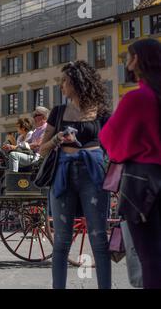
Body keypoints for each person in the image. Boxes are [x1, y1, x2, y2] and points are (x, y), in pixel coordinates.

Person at [39, 60, 112, 289]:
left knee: (99, 239)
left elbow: (112, 145)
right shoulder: (59, 112)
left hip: (93, 174)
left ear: (77, 83)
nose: (61, 86)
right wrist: (57, 138)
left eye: (64, 81)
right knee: (61, 241)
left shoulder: (101, 112)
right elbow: (42, 148)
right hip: (63, 173)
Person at [99, 38, 161, 289]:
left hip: (143, 183)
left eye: (129, 56)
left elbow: (110, 140)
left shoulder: (137, 99)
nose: (126, 61)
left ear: (137, 61)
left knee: (151, 259)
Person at [4, 107, 49, 172]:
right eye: (33, 115)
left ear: (44, 117)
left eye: (36, 115)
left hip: (40, 158)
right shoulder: (36, 130)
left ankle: (13, 178)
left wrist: (15, 147)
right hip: (33, 156)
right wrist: (11, 147)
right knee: (10, 158)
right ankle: (13, 177)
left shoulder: (47, 128)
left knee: (13, 155)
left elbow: (37, 144)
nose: (34, 118)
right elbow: (28, 144)